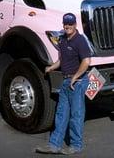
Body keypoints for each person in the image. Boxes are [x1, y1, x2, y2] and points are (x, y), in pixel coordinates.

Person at [36, 13, 91, 155]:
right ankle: (54, 145)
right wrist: (51, 67)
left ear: (75, 25)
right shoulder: (63, 40)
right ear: (63, 24)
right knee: (61, 114)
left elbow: (86, 61)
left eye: (70, 24)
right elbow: (62, 60)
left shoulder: (80, 41)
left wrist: (76, 77)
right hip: (66, 81)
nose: (68, 26)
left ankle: (76, 145)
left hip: (77, 82)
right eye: (66, 24)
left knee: (76, 115)